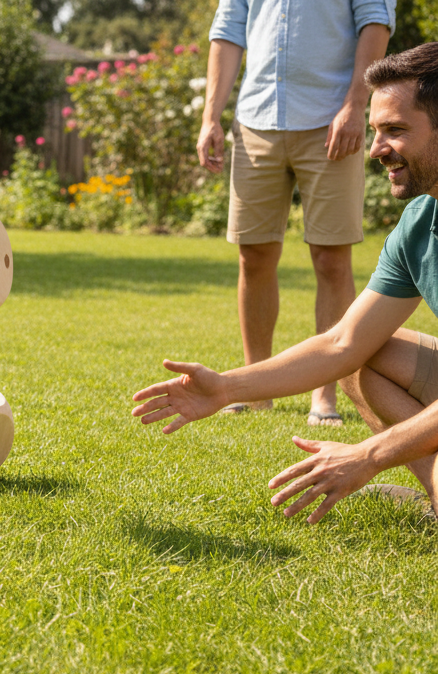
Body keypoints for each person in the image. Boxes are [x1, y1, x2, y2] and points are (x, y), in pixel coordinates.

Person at [134, 43, 438, 525]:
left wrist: (368, 455)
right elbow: (342, 343)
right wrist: (227, 388)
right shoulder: (420, 223)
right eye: (377, 130)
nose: (377, 149)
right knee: (366, 354)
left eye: (396, 131)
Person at [197, 0, 393, 426]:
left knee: (331, 259)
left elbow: (376, 22)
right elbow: (228, 30)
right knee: (254, 255)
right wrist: (211, 115)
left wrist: (355, 105)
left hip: (331, 120)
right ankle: (255, 389)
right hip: (256, 120)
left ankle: (326, 396)